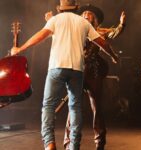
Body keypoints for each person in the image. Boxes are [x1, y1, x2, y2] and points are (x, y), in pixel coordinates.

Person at [11, 1, 118, 150]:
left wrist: (20, 49)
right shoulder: (83, 22)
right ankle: (74, 146)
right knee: (75, 107)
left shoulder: (55, 20)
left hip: (57, 67)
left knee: (48, 106)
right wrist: (113, 56)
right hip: (77, 70)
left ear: (60, 8)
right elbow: (102, 43)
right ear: (76, 8)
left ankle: (49, 144)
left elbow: (39, 36)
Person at [60, 4, 125, 150]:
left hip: (94, 72)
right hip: (77, 70)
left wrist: (121, 24)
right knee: (73, 106)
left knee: (96, 106)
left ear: (94, 18)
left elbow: (114, 33)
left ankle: (100, 142)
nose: (85, 15)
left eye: (89, 14)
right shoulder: (76, 30)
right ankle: (68, 142)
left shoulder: (99, 31)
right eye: (83, 14)